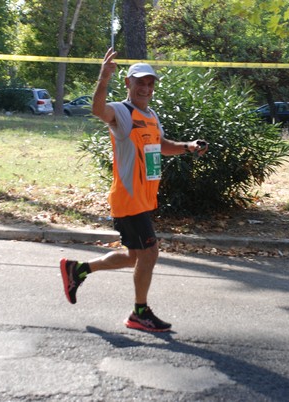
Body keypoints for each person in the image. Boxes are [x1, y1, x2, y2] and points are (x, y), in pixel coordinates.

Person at [59, 48, 208, 332]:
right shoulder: (122, 112)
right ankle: (139, 313)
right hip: (128, 199)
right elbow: (98, 111)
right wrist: (103, 79)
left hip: (143, 198)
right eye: (140, 82)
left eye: (150, 83)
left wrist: (187, 146)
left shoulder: (151, 115)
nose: (146, 88)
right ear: (128, 84)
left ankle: (77, 270)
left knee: (133, 257)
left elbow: (162, 146)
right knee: (150, 254)